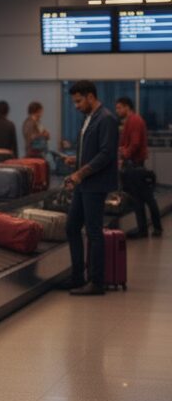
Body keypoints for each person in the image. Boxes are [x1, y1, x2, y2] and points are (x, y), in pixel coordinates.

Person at [62, 81, 119, 294]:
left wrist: (80, 173)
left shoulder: (106, 119)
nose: (76, 106)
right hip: (84, 184)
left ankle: (97, 282)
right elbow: (90, 150)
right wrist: (74, 161)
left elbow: (106, 154)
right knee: (72, 227)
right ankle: (78, 276)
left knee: (94, 232)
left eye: (78, 101)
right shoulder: (89, 119)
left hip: (95, 184)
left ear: (90, 97)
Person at [115, 96, 162, 239]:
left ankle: (149, 229)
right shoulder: (132, 121)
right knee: (141, 199)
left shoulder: (134, 121)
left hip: (135, 167)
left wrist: (124, 156)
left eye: (119, 108)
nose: (117, 111)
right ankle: (148, 229)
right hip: (135, 165)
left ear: (127, 107)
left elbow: (134, 144)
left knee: (143, 199)